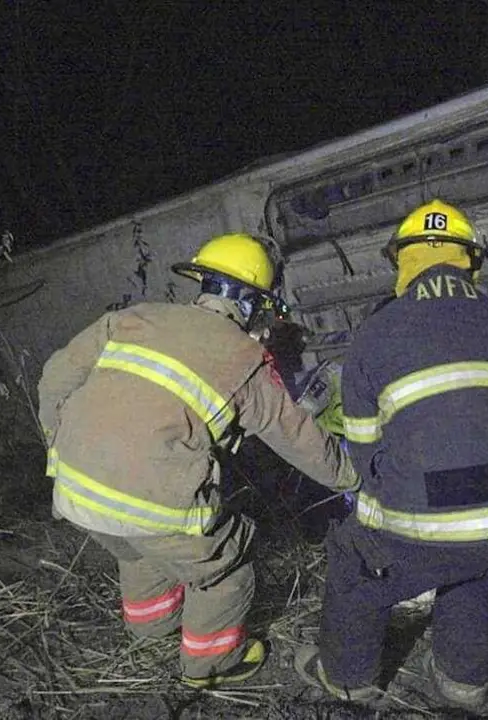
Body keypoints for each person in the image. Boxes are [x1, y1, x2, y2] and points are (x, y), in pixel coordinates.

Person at [37, 233, 359, 689]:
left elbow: (53, 379)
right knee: (226, 561)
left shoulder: (131, 319)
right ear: (251, 304)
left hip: (73, 490)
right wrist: (352, 475)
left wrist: (59, 445)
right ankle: (211, 665)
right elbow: (300, 439)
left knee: (135, 547)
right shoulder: (244, 359)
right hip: (153, 502)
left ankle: (150, 627)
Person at [295, 199, 488, 710]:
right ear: (471, 262)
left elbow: (366, 450)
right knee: (480, 579)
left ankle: (347, 677)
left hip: (433, 511)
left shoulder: (377, 331)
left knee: (355, 557)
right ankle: (463, 680)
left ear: (402, 262)